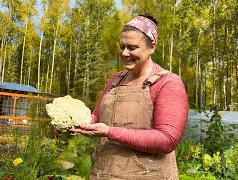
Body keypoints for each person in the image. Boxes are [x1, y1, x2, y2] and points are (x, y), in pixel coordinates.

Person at [70, 13, 188, 180]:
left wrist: (110, 132)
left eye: (132, 48)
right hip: (103, 174)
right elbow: (95, 117)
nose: (125, 53)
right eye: (122, 46)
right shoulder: (115, 79)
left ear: (152, 47)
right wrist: (72, 123)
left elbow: (167, 139)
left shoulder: (168, 83)